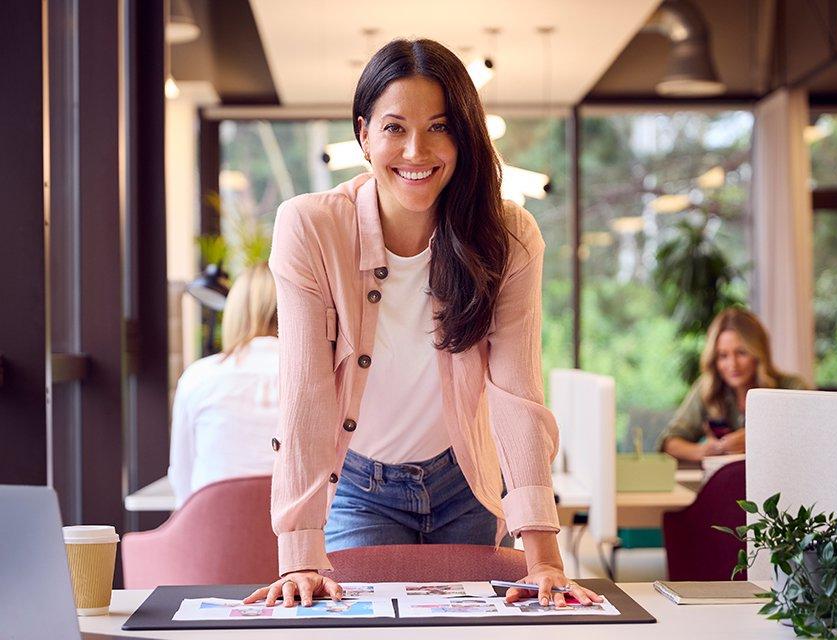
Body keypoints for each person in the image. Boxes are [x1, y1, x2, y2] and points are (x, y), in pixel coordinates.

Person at [243, 39, 600, 610]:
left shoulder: (508, 236)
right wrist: (300, 558)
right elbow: (306, 395)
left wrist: (544, 559)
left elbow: (517, 394)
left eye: (439, 126)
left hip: (466, 484)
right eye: (394, 127)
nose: (417, 150)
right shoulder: (310, 227)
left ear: (465, 135)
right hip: (361, 488)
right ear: (363, 134)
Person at [167, 263, 279, 507]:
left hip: (212, 535)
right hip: (299, 538)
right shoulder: (322, 379)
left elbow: (183, 485)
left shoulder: (198, 378)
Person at [657, 308, 806, 462]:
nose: (732, 364)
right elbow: (669, 442)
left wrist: (755, 439)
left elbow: (812, 438)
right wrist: (701, 452)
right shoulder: (708, 388)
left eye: (741, 353)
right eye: (723, 356)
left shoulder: (792, 389)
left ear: (758, 353)